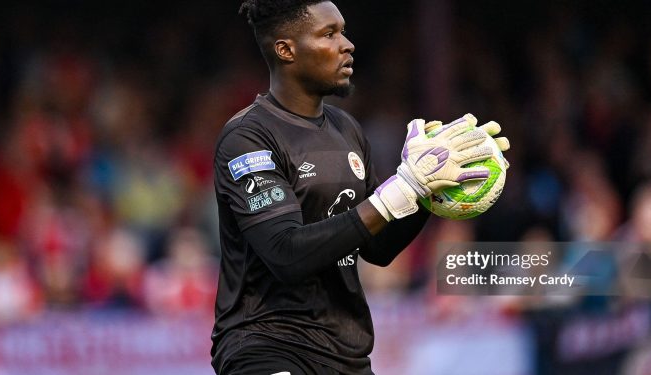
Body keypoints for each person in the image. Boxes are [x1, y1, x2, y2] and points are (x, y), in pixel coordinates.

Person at [210, 1, 510, 374]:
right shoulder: (248, 138)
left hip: (345, 354)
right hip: (266, 346)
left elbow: (376, 247)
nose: (347, 44)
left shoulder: (347, 129)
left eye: (344, 31)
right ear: (286, 50)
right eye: (329, 34)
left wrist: (427, 191)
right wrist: (401, 188)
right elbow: (286, 254)